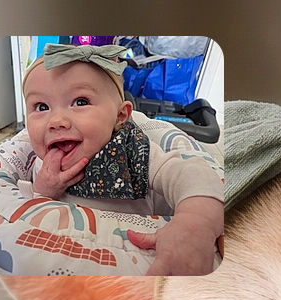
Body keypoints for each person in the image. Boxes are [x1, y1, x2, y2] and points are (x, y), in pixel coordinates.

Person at [15, 43, 223, 275]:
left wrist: (194, 223)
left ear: (120, 116)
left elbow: (194, 175)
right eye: (41, 106)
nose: (57, 121)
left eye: (80, 102)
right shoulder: (42, 163)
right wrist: (44, 189)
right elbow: (30, 210)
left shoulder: (134, 152)